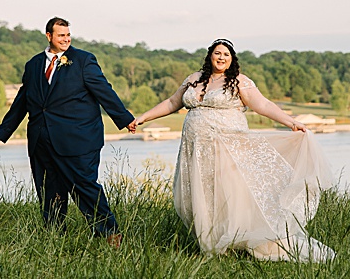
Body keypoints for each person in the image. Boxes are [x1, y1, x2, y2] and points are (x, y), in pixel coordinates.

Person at [133, 38, 335, 261]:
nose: (221, 57)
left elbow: (264, 105)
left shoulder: (239, 81)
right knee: (200, 195)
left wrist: (291, 122)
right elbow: (172, 102)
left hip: (228, 148)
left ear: (232, 60)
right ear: (210, 55)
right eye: (218, 53)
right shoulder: (194, 79)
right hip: (195, 150)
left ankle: (233, 240)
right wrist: (143, 117)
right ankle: (211, 244)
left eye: (226, 55)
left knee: (228, 193)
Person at [0, 17, 136, 247]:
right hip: (41, 141)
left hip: (78, 141)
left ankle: (111, 234)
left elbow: (104, 92)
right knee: (50, 192)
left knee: (85, 187)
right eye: (61, 35)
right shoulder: (33, 65)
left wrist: (125, 118)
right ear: (49, 36)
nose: (66, 39)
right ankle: (55, 239)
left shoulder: (83, 60)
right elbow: (22, 102)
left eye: (68, 34)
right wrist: (0, 133)